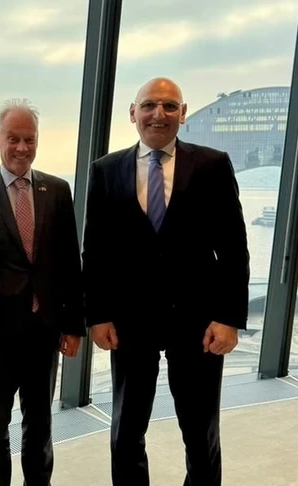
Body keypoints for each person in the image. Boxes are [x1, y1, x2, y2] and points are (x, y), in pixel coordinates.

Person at [81, 77, 250, 486]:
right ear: (133, 113)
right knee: (126, 431)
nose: (159, 114)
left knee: (201, 432)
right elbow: (96, 252)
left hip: (198, 323)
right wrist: (97, 315)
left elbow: (233, 249)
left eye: (170, 106)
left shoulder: (212, 165)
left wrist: (228, 318)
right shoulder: (105, 170)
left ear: (183, 113)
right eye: (149, 105)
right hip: (130, 322)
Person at [0, 98, 85, 486]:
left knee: (40, 427)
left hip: (44, 334)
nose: (22, 148)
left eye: (30, 139)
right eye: (13, 138)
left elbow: (70, 264)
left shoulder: (57, 191)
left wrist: (73, 325)